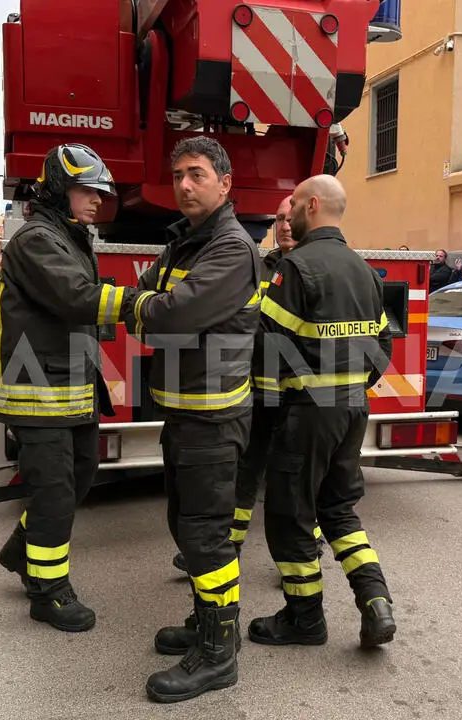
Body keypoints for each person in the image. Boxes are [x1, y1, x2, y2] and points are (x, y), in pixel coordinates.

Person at [123, 136, 261, 704]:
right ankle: (211, 620)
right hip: (185, 412)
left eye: (197, 174)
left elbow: (170, 316)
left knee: (206, 538)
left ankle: (218, 654)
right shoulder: (186, 244)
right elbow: (148, 301)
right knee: (188, 529)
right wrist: (148, 310)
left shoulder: (231, 248)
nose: (184, 185)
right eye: (178, 174)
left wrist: (147, 311)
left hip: (212, 417)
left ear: (225, 184)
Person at [0, 143, 137, 633]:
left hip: (67, 385)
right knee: (54, 492)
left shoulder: (67, 236)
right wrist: (140, 303)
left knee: (80, 473)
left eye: (101, 192)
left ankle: (21, 551)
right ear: (59, 189)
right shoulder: (36, 240)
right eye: (87, 191)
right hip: (39, 392)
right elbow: (77, 298)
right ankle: (48, 592)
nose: (98, 200)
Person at [248, 174, 398, 649]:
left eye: (292, 204)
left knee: (290, 516)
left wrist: (267, 414)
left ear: (312, 206)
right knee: (337, 508)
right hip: (353, 409)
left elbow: (268, 347)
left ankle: (305, 618)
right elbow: (383, 343)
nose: (286, 214)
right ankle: (375, 601)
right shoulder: (364, 270)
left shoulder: (294, 269)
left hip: (307, 413)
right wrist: (353, 386)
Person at [169, 194, 300, 576]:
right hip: (256, 393)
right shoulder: (260, 266)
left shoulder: (315, 268)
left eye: (291, 218)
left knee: (293, 481)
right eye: (279, 219)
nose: (285, 226)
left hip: (298, 398)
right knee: (243, 477)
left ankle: (302, 561)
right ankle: (228, 548)